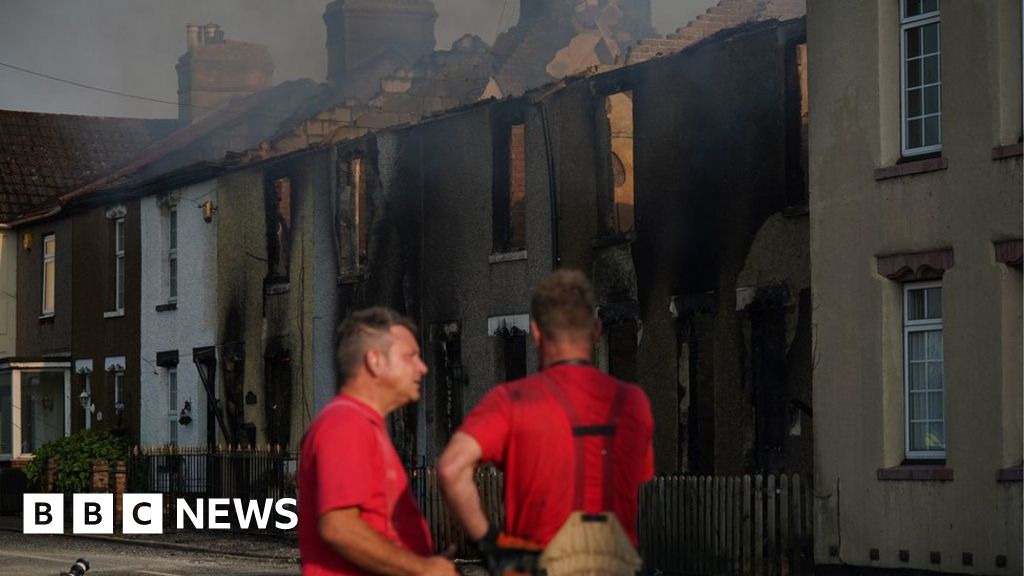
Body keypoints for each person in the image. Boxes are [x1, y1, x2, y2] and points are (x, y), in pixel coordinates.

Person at [439, 270, 655, 575]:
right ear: (596, 331)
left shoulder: (511, 401)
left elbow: (451, 468)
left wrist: (490, 546)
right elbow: (638, 479)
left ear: (536, 332)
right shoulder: (632, 403)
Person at [298, 307, 457, 576]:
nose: (423, 367)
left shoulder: (363, 426)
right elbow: (339, 527)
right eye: (411, 356)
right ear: (375, 361)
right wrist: (423, 568)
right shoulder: (345, 425)